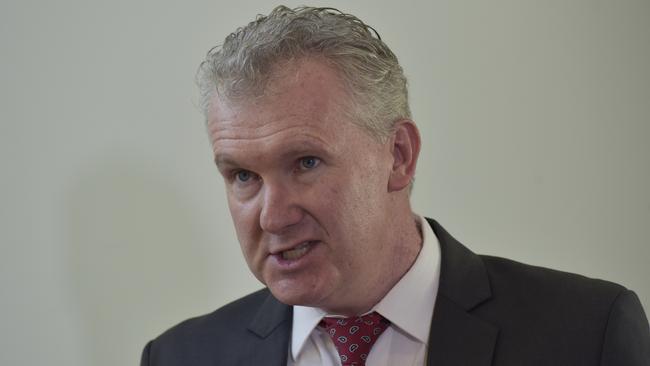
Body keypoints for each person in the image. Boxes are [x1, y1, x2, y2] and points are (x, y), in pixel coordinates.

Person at [141, 6, 650, 366]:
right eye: (243, 177)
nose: (272, 216)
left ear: (398, 156)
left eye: (306, 162)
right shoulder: (181, 357)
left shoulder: (587, 334)